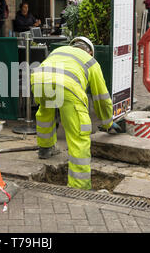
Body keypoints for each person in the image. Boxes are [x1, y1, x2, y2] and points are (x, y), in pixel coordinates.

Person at [31, 37, 121, 190]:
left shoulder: (59, 50)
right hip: (66, 86)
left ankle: (45, 148)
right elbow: (102, 98)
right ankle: (79, 186)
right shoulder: (91, 61)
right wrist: (108, 123)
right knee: (79, 133)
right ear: (90, 51)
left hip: (38, 80)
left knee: (45, 112)